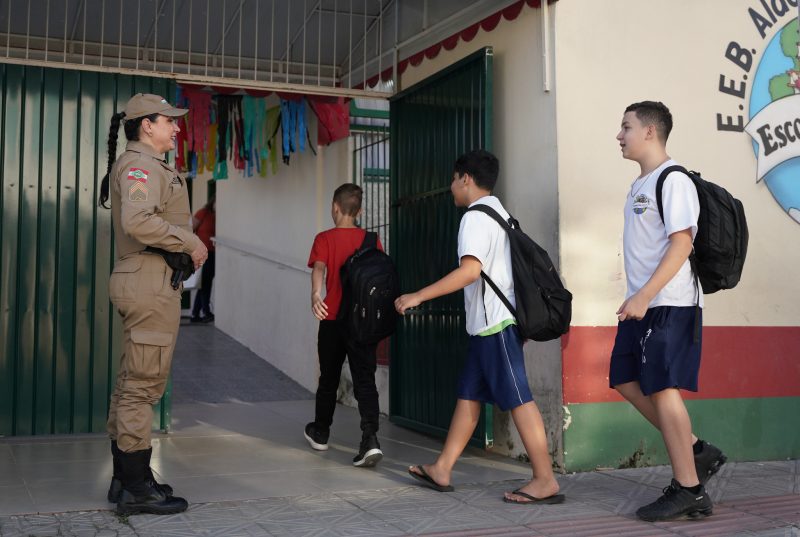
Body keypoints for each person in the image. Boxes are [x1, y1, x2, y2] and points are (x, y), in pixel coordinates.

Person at [394, 149, 564, 505]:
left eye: (454, 180)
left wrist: (418, 295)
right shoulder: (500, 213)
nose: (452, 186)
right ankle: (443, 467)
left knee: (520, 399)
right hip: (490, 325)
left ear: (465, 179)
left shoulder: (474, 217)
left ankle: (545, 479)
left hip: (495, 325)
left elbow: (470, 271)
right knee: (469, 395)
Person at [612, 101, 726, 522]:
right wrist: (636, 296)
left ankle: (690, 488)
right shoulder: (639, 184)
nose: (619, 135)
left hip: (669, 302)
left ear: (650, 132)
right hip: (643, 304)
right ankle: (696, 450)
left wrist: (645, 295)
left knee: (663, 388)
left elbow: (682, 243)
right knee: (625, 380)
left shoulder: (673, 180)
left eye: (626, 127)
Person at [98, 93, 208, 515]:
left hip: (145, 277)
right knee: (142, 387)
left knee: (132, 382)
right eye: (170, 121)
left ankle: (125, 479)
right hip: (148, 277)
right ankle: (136, 488)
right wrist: (193, 242)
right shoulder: (141, 164)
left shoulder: (144, 164)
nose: (177, 128)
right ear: (147, 124)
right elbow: (138, 221)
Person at [304, 183, 385, 467]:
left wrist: (316, 294)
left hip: (333, 319)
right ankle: (370, 439)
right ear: (359, 210)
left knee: (328, 378)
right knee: (365, 379)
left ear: (334, 208)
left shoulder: (324, 238)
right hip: (363, 322)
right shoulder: (371, 240)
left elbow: (319, 268)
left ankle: (321, 432)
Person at [190, 196, 216, 323]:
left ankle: (196, 314)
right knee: (204, 282)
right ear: (213, 202)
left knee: (205, 283)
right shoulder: (203, 213)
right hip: (202, 252)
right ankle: (205, 311)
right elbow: (190, 230)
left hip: (214, 253)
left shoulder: (219, 216)